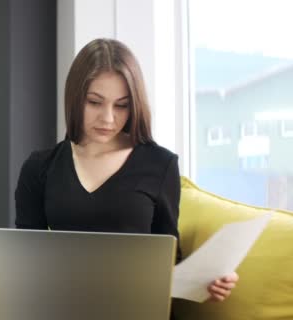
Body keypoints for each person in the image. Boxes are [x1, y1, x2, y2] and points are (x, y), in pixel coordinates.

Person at [14, 38, 238, 304]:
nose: (108, 118)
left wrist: (204, 283)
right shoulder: (39, 167)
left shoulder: (160, 164)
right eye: (94, 102)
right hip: (66, 307)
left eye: (121, 105)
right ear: (75, 98)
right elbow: (24, 261)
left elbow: (167, 260)